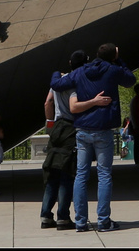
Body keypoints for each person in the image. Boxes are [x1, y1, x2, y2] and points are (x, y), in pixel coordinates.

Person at [49, 42, 136, 233]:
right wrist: (118, 60)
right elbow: (131, 80)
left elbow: (56, 85)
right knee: (104, 175)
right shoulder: (113, 70)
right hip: (103, 129)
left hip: (82, 130)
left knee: (81, 175)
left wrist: (57, 72)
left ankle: (80, 222)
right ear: (113, 56)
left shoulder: (80, 72)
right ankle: (103, 221)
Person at [41, 51, 84, 231]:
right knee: (67, 174)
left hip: (57, 126)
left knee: (52, 173)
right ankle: (63, 217)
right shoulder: (77, 83)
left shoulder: (58, 81)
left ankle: (45, 215)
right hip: (70, 127)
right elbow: (75, 107)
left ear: (69, 62)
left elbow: (47, 103)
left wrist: (50, 123)